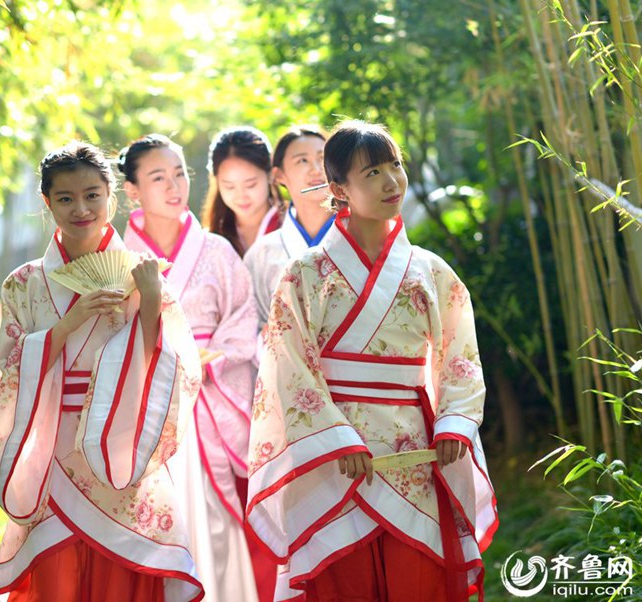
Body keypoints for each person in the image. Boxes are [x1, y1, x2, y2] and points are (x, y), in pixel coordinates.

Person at [245, 120, 498, 601]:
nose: (391, 181)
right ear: (339, 189)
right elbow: (288, 365)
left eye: (395, 166)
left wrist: (454, 423)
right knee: (346, 583)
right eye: (373, 172)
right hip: (337, 458)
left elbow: (461, 357)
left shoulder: (431, 271)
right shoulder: (304, 275)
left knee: (417, 581)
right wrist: (335, 437)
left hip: (414, 450)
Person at [0, 141, 204, 602]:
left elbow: (173, 368)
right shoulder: (23, 283)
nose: (81, 209)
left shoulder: (144, 275)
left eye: (92, 195)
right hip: (51, 451)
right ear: (47, 202)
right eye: (66, 198)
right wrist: (68, 325)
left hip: (121, 447)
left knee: (124, 581)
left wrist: (150, 301)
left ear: (111, 197)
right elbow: (7, 373)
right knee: (56, 580)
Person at [119, 134, 260, 602]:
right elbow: (109, 337)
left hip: (208, 400)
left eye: (180, 174)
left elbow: (242, 320)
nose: (174, 186)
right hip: (148, 404)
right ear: (133, 190)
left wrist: (209, 360)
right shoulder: (116, 260)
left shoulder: (216, 250)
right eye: (158, 177)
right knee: (153, 517)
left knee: (214, 520)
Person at [243, 126, 335, 328]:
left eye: (322, 158)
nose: (316, 169)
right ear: (278, 175)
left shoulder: (363, 237)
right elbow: (251, 329)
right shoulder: (261, 254)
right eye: (302, 160)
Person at [201, 126, 284, 257]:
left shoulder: (291, 226)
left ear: (270, 175)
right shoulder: (210, 240)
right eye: (229, 186)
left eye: (250, 185)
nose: (241, 196)